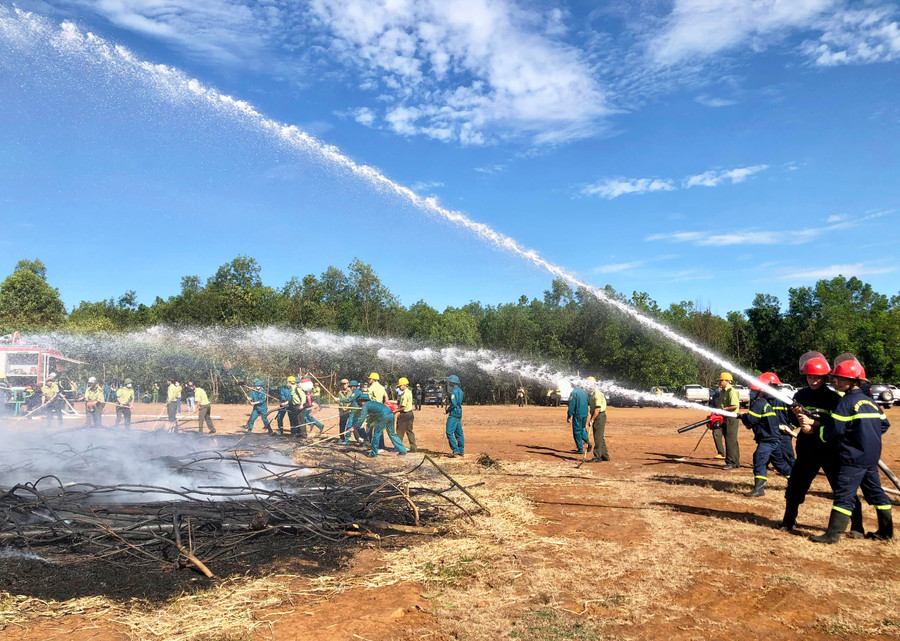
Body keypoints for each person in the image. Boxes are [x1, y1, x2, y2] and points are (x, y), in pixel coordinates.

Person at [803, 354, 892, 543]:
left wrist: (814, 431)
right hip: (870, 457)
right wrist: (865, 436)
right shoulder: (871, 402)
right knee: (876, 493)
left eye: (840, 378)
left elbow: (835, 430)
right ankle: (886, 532)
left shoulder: (846, 402)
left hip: (853, 458)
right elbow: (884, 425)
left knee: (844, 494)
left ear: (852, 381)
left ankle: (833, 534)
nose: (835, 381)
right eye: (835, 378)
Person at [782, 352, 864, 535]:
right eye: (810, 377)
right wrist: (795, 416)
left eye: (817, 378)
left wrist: (815, 423)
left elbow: (837, 425)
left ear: (825, 377)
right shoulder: (801, 395)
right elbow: (793, 422)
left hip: (830, 450)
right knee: (796, 484)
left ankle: (857, 525)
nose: (813, 381)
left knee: (842, 488)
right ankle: (788, 520)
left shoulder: (834, 398)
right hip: (806, 449)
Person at [740, 376, 792, 497]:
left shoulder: (759, 403)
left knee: (759, 459)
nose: (751, 393)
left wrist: (743, 417)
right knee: (780, 464)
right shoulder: (763, 403)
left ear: (760, 391)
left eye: (753, 391)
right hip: (774, 439)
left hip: (768, 440)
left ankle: (759, 489)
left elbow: (751, 420)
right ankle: (796, 481)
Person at [759, 372, 796, 469]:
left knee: (788, 458)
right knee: (762, 459)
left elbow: (796, 418)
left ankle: (795, 478)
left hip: (783, 436)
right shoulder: (761, 402)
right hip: (768, 435)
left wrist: (790, 428)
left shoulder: (785, 401)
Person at [357, 394, 407, 458]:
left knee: (377, 434)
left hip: (383, 416)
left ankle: (374, 453)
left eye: (360, 402)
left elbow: (362, 417)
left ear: (362, 401)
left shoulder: (365, 405)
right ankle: (402, 450)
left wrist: (356, 426)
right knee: (392, 433)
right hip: (390, 415)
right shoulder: (373, 403)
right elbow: (373, 416)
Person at [716, 373, 741, 469]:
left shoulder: (731, 391)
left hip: (731, 418)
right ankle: (735, 462)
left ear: (726, 381)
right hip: (725, 417)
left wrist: (723, 410)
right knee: (730, 439)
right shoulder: (723, 392)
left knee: (730, 440)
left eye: (721, 380)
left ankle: (731, 462)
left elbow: (735, 406)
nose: (719, 382)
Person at [587, 377, 610, 463]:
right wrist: (591, 418)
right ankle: (605, 455)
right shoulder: (592, 394)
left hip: (599, 416)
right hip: (596, 415)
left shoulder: (597, 394)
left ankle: (597, 456)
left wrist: (592, 419)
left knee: (597, 437)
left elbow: (597, 409)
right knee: (600, 436)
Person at [566, 381, 591, 455]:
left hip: (578, 414)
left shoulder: (573, 393)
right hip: (585, 413)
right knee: (582, 429)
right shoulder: (584, 392)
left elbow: (571, 405)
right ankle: (588, 442)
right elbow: (587, 401)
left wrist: (569, 416)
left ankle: (580, 448)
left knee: (576, 431)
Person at [395, 377, 417, 452]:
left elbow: (403, 407)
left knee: (400, 432)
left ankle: (399, 448)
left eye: (399, 386)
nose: (399, 387)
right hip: (410, 413)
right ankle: (413, 447)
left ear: (403, 385)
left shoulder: (404, 395)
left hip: (404, 414)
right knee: (409, 431)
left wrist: (395, 411)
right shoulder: (409, 392)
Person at [445, 374, 464, 457]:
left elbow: (453, 403)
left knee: (449, 432)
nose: (449, 383)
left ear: (453, 382)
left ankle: (455, 449)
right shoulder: (460, 391)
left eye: (450, 382)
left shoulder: (454, 391)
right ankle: (461, 449)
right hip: (459, 413)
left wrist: (447, 410)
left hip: (454, 413)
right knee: (458, 432)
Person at [337, 379, 354, 443]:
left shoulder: (351, 392)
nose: (344, 385)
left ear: (348, 384)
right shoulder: (340, 392)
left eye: (345, 383)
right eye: (342, 384)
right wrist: (342, 407)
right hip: (342, 410)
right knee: (342, 424)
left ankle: (348, 438)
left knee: (350, 425)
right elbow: (339, 401)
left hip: (349, 410)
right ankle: (341, 438)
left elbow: (351, 400)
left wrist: (348, 407)